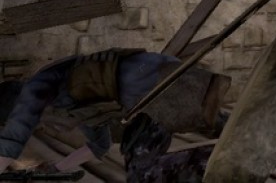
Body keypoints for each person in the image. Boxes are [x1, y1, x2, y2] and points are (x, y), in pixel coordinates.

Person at [0, 49, 225, 180]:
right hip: (152, 93)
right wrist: (57, 168)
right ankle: (223, 147)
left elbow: (12, 139)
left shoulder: (36, 87)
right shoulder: (75, 102)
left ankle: (218, 161)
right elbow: (99, 146)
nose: (41, 127)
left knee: (143, 174)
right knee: (213, 121)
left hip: (153, 88)